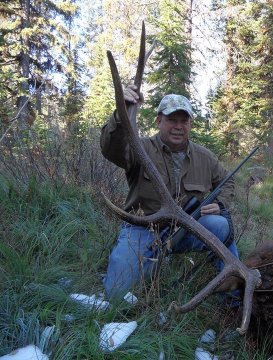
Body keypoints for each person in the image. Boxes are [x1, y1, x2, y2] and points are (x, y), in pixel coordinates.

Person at [100, 84, 239, 301]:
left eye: (184, 121)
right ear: (158, 121)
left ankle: (233, 295)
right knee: (117, 294)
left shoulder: (205, 157)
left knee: (221, 226)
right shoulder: (139, 148)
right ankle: (142, 263)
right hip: (143, 228)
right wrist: (121, 113)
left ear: (190, 124)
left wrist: (220, 204)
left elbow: (228, 182)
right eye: (171, 120)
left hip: (186, 230)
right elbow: (112, 148)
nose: (178, 126)